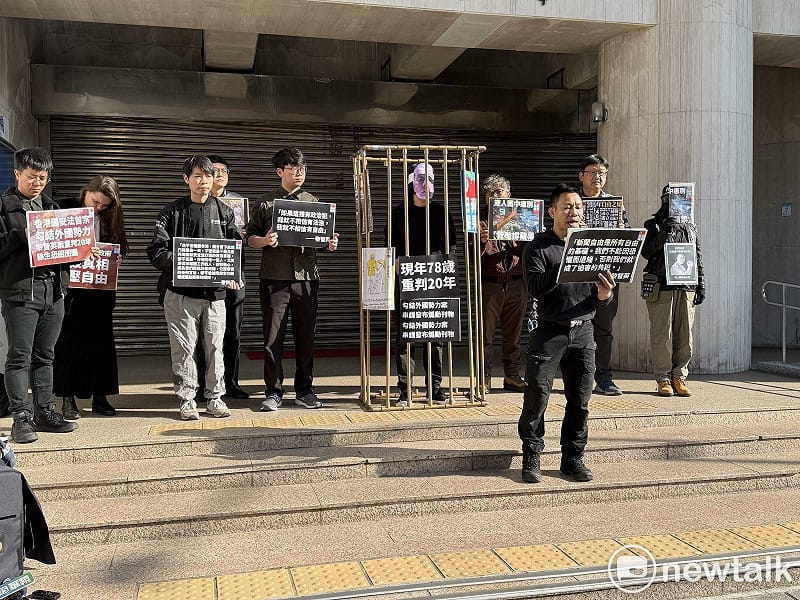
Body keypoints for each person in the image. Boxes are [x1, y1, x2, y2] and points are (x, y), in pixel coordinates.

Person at [519, 183, 615, 484]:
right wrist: (570, 259)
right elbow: (534, 287)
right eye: (566, 207)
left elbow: (601, 296)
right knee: (537, 396)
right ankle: (532, 455)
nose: (573, 212)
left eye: (578, 207)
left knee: (580, 400)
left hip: (584, 331)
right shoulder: (538, 247)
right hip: (548, 331)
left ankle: (573, 458)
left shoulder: (593, 246)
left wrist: (605, 294)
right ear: (552, 212)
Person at [147, 155, 241, 420]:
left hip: (215, 296)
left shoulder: (225, 212)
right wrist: (184, 262)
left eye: (208, 176)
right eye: (197, 176)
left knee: (215, 347)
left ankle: (216, 398)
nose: (203, 181)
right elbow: (156, 251)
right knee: (183, 348)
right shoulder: (171, 212)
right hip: (180, 295)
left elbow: (235, 250)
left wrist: (233, 274)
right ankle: (187, 399)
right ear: (186, 179)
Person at [245, 147, 339, 411]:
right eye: (293, 170)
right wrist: (264, 240)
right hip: (274, 278)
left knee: (306, 336)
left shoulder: (313, 201)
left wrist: (329, 243)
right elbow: (249, 238)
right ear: (279, 172)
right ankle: (273, 391)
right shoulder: (265, 203)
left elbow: (320, 240)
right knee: (272, 337)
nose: (299, 174)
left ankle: (305, 390)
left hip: (306, 278)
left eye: (303, 170)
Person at [0, 147, 78, 443]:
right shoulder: (4, 207)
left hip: (53, 290)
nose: (37, 183)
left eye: (43, 178)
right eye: (32, 177)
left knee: (45, 355)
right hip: (20, 291)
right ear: (18, 173)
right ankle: (21, 417)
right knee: (19, 356)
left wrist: (81, 251)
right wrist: (21, 234)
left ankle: (45, 411)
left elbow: (64, 252)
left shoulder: (53, 208)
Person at [53, 175, 129, 419]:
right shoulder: (64, 207)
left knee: (101, 343)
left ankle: (100, 396)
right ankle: (67, 398)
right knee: (68, 343)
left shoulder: (111, 217)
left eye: (104, 205)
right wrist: (82, 250)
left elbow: (121, 246)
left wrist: (116, 257)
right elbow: (53, 245)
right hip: (71, 289)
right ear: (86, 191)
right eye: (95, 201)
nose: (98, 207)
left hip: (100, 289)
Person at [384, 162, 457, 406]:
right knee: (405, 337)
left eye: (431, 179)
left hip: (435, 281)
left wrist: (446, 272)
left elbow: (451, 247)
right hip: (406, 282)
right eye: (421, 179)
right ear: (410, 183)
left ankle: (435, 387)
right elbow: (389, 248)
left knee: (435, 336)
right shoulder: (398, 213)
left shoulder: (441, 212)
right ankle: (405, 389)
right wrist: (396, 266)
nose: (426, 184)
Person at [193, 155, 250, 401]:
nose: (219, 175)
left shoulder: (238, 203)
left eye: (223, 171)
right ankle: (201, 385)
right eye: (213, 171)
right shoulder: (195, 202)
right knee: (202, 334)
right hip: (205, 277)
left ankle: (231, 382)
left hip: (234, 277)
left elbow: (245, 239)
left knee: (232, 333)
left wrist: (247, 234)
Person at [641, 185, 705, 397]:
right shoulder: (653, 225)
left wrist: (701, 285)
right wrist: (665, 231)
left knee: (685, 337)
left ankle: (680, 376)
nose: (675, 203)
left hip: (686, 287)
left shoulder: (691, 227)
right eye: (671, 199)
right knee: (662, 336)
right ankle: (663, 378)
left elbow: (697, 256)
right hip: (661, 286)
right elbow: (647, 252)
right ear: (664, 200)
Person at [578, 154, 626, 396]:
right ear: (581, 175)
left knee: (604, 330)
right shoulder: (573, 202)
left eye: (602, 173)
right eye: (593, 172)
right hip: (577, 277)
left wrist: (622, 230)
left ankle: (604, 379)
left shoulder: (614, 206)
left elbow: (626, 238)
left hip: (606, 278)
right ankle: (578, 377)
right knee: (574, 327)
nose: (598, 177)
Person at [479, 174, 526, 392]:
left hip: (517, 282)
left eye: (501, 191)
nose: (496, 195)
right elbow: (469, 257)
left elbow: (530, 253)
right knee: (485, 334)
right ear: (485, 198)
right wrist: (480, 240)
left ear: (509, 195)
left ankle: (512, 375)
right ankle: (484, 377)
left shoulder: (523, 218)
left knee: (514, 335)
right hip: (490, 284)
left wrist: (533, 236)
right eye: (491, 193)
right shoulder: (479, 222)